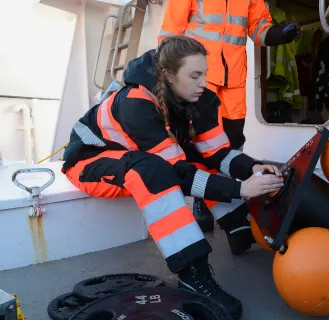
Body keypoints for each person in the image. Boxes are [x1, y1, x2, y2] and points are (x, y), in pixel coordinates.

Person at [61, 35, 284, 319]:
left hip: (138, 157)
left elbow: (216, 153)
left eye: (204, 74)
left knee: (185, 158)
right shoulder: (135, 104)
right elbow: (177, 174)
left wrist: (251, 168)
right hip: (90, 161)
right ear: (167, 74)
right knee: (152, 170)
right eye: (194, 75)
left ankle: (238, 227)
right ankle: (192, 273)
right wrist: (241, 190)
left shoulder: (201, 99)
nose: (203, 82)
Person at [157, 0, 301, 232]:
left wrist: (280, 34)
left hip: (233, 79)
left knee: (233, 141)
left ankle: (232, 201)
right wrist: (172, 80)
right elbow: (168, 36)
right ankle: (202, 201)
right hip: (200, 80)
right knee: (199, 145)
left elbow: (259, 29)